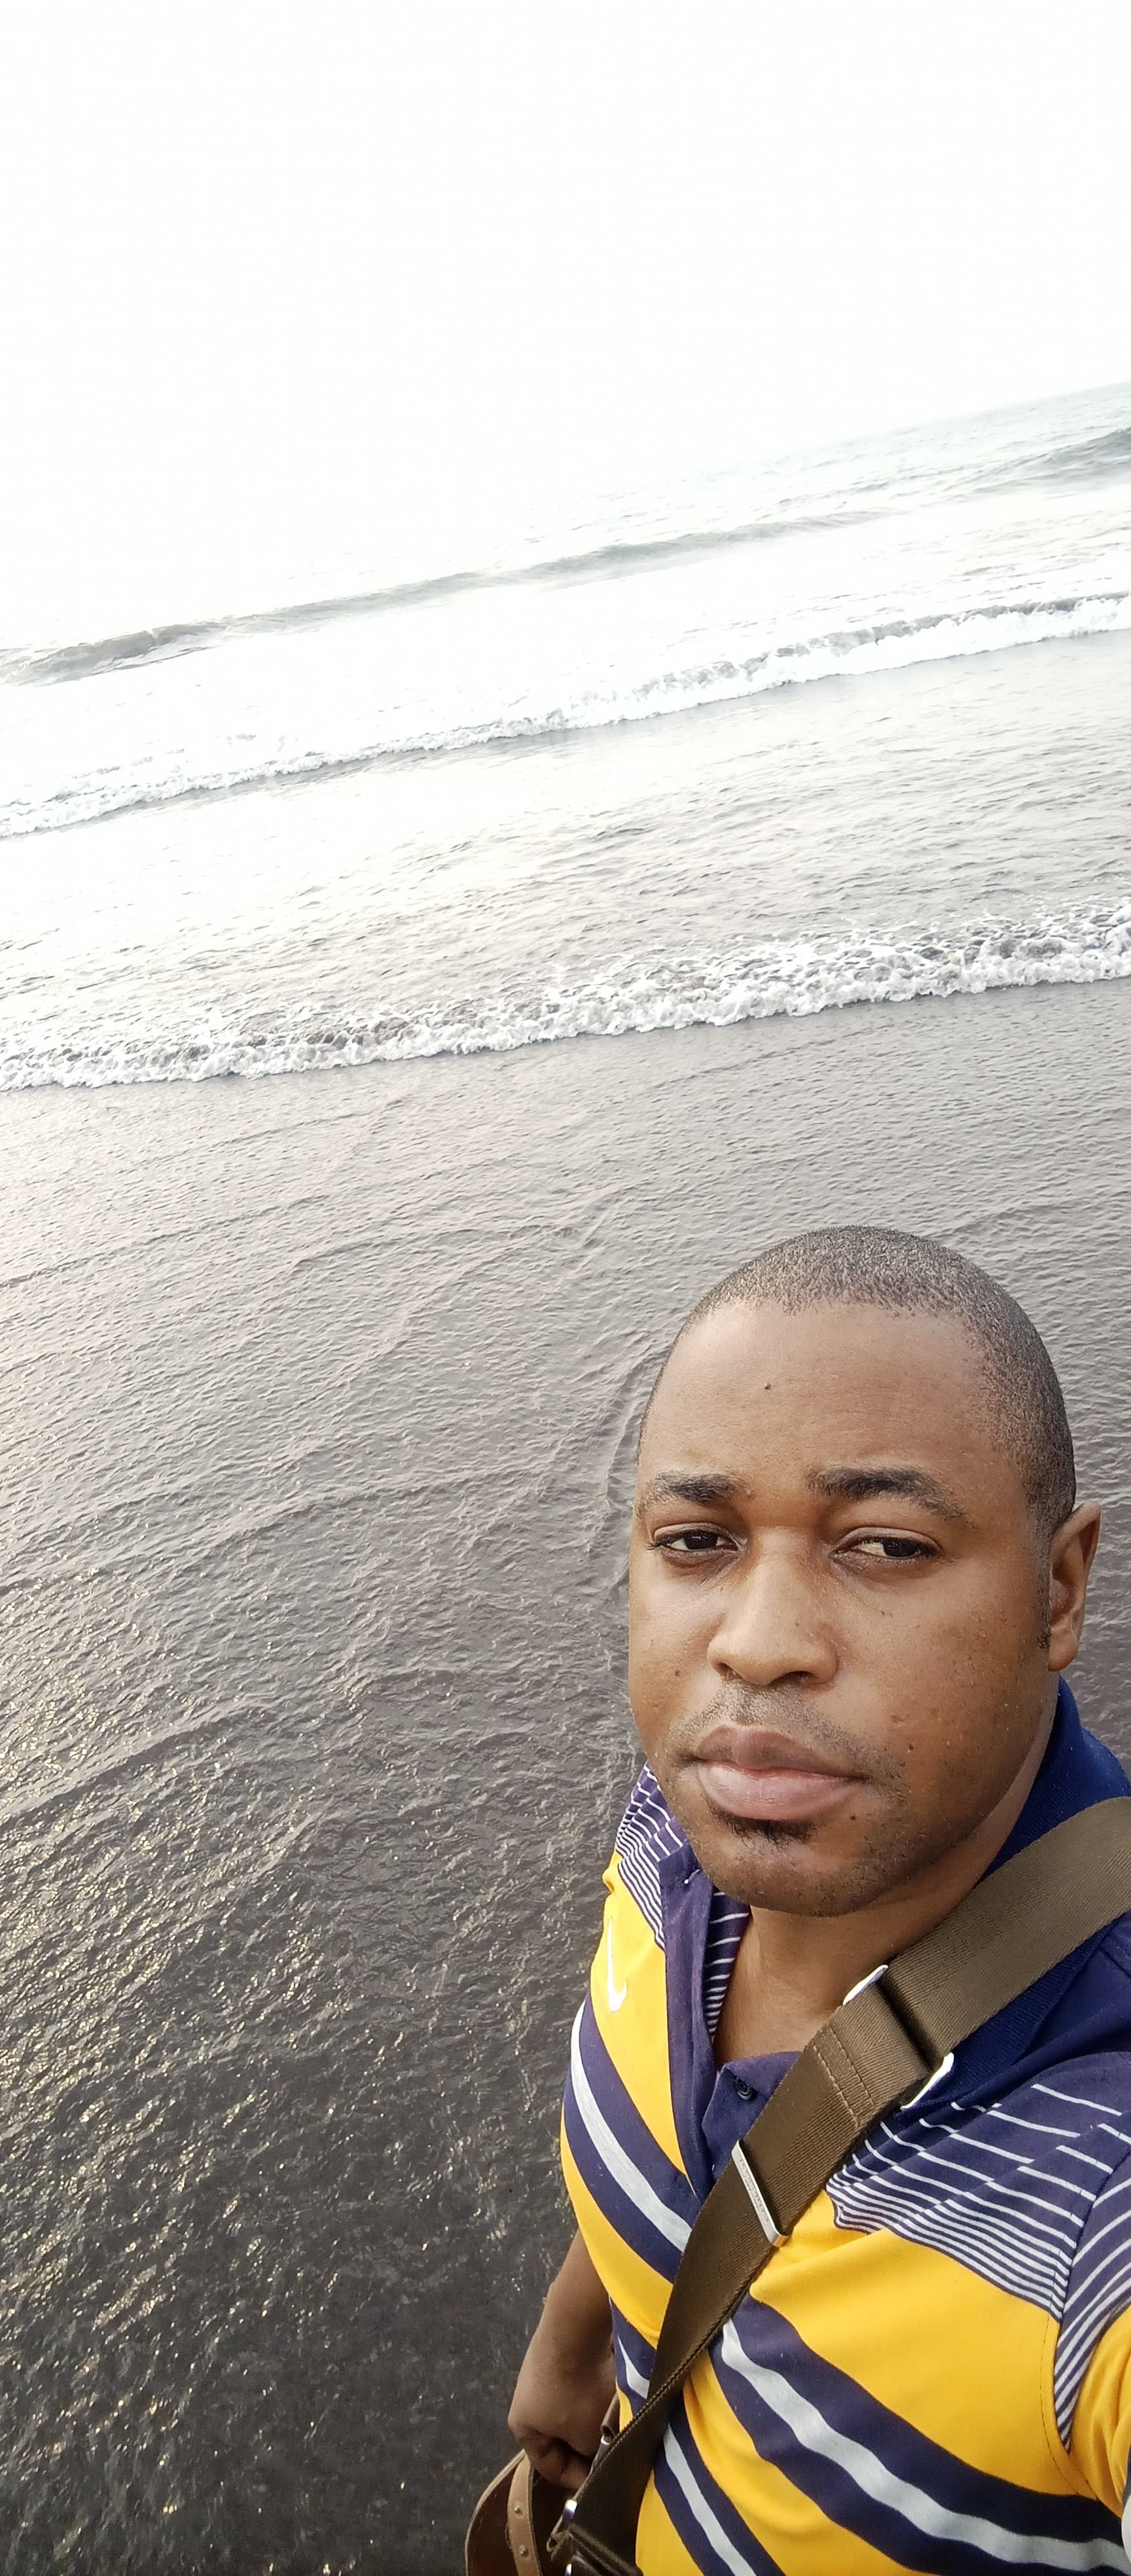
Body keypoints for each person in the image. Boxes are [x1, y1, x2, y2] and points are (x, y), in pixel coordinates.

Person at [507, 1225, 1131, 2573]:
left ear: (1059, 1587)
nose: (758, 1643)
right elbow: (699, 2141)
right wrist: (579, 2346)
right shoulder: (688, 1819)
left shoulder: (1096, 2196)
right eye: (697, 1540)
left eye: (887, 1546)